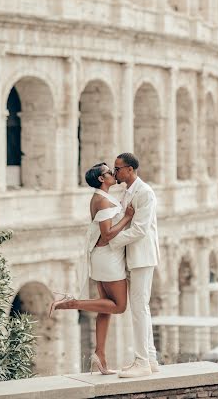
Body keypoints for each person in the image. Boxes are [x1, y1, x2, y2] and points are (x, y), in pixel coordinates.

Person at [49, 162, 134, 375]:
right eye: (108, 172)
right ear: (101, 179)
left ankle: (100, 356)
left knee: (105, 310)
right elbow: (106, 234)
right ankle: (70, 303)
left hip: (103, 256)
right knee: (119, 306)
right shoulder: (102, 201)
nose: (113, 174)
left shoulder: (102, 197)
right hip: (108, 257)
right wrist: (127, 218)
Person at [110, 152, 160, 378]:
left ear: (130, 170)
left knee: (139, 308)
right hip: (134, 256)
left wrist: (111, 241)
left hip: (142, 256)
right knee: (141, 308)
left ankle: (142, 361)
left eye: (118, 168)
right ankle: (150, 358)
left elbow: (140, 228)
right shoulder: (127, 192)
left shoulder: (145, 192)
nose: (115, 172)